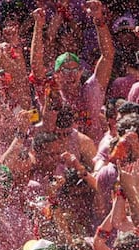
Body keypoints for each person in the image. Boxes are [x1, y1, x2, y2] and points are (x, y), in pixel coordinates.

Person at [30, 0, 115, 143]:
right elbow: (36, 66)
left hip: (94, 157)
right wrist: (38, 26)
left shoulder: (90, 91)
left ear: (81, 72)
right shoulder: (52, 95)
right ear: (56, 75)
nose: (71, 73)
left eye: (75, 69)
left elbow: (108, 56)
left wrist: (99, 19)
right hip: (60, 156)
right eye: (65, 70)